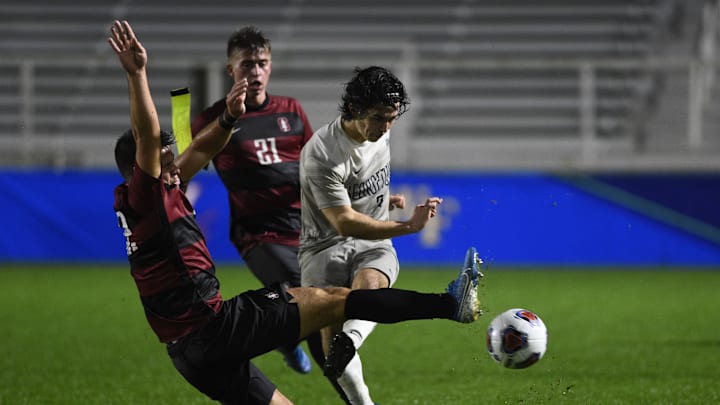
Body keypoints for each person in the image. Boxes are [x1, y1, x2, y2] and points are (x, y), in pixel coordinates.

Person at [110, 20, 481, 405]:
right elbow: (147, 133)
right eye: (166, 161)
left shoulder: (153, 195)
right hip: (220, 324)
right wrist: (137, 74)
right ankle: (449, 304)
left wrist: (229, 118)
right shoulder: (147, 192)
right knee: (336, 299)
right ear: (140, 169)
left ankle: (300, 344)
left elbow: (200, 152)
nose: (177, 167)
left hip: (190, 353)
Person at [299, 66, 447, 404]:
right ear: (354, 109)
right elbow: (344, 223)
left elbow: (363, 183)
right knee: (333, 356)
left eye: (392, 118)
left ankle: (350, 339)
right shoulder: (322, 153)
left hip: (370, 244)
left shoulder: (379, 131)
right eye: (380, 118)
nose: (387, 127)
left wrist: (383, 198)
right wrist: (408, 226)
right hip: (323, 248)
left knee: (372, 285)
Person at [190, 26, 314, 375]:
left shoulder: (291, 111)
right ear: (231, 71)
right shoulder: (212, 119)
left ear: (270, 66)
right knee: (306, 293)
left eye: (262, 63)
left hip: (302, 228)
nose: (255, 72)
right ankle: (234, 347)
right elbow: (189, 165)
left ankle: (285, 339)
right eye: (247, 65)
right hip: (256, 233)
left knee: (309, 298)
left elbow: (316, 167)